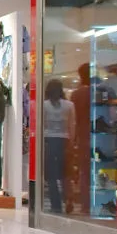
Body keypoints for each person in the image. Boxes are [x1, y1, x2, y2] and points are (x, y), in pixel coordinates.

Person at [42, 78, 75, 214]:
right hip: (65, 140)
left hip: (49, 140)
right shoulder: (69, 105)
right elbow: (72, 125)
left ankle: (56, 205)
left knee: (51, 175)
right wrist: (71, 142)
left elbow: (42, 124)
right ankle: (69, 199)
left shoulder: (44, 105)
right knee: (65, 173)